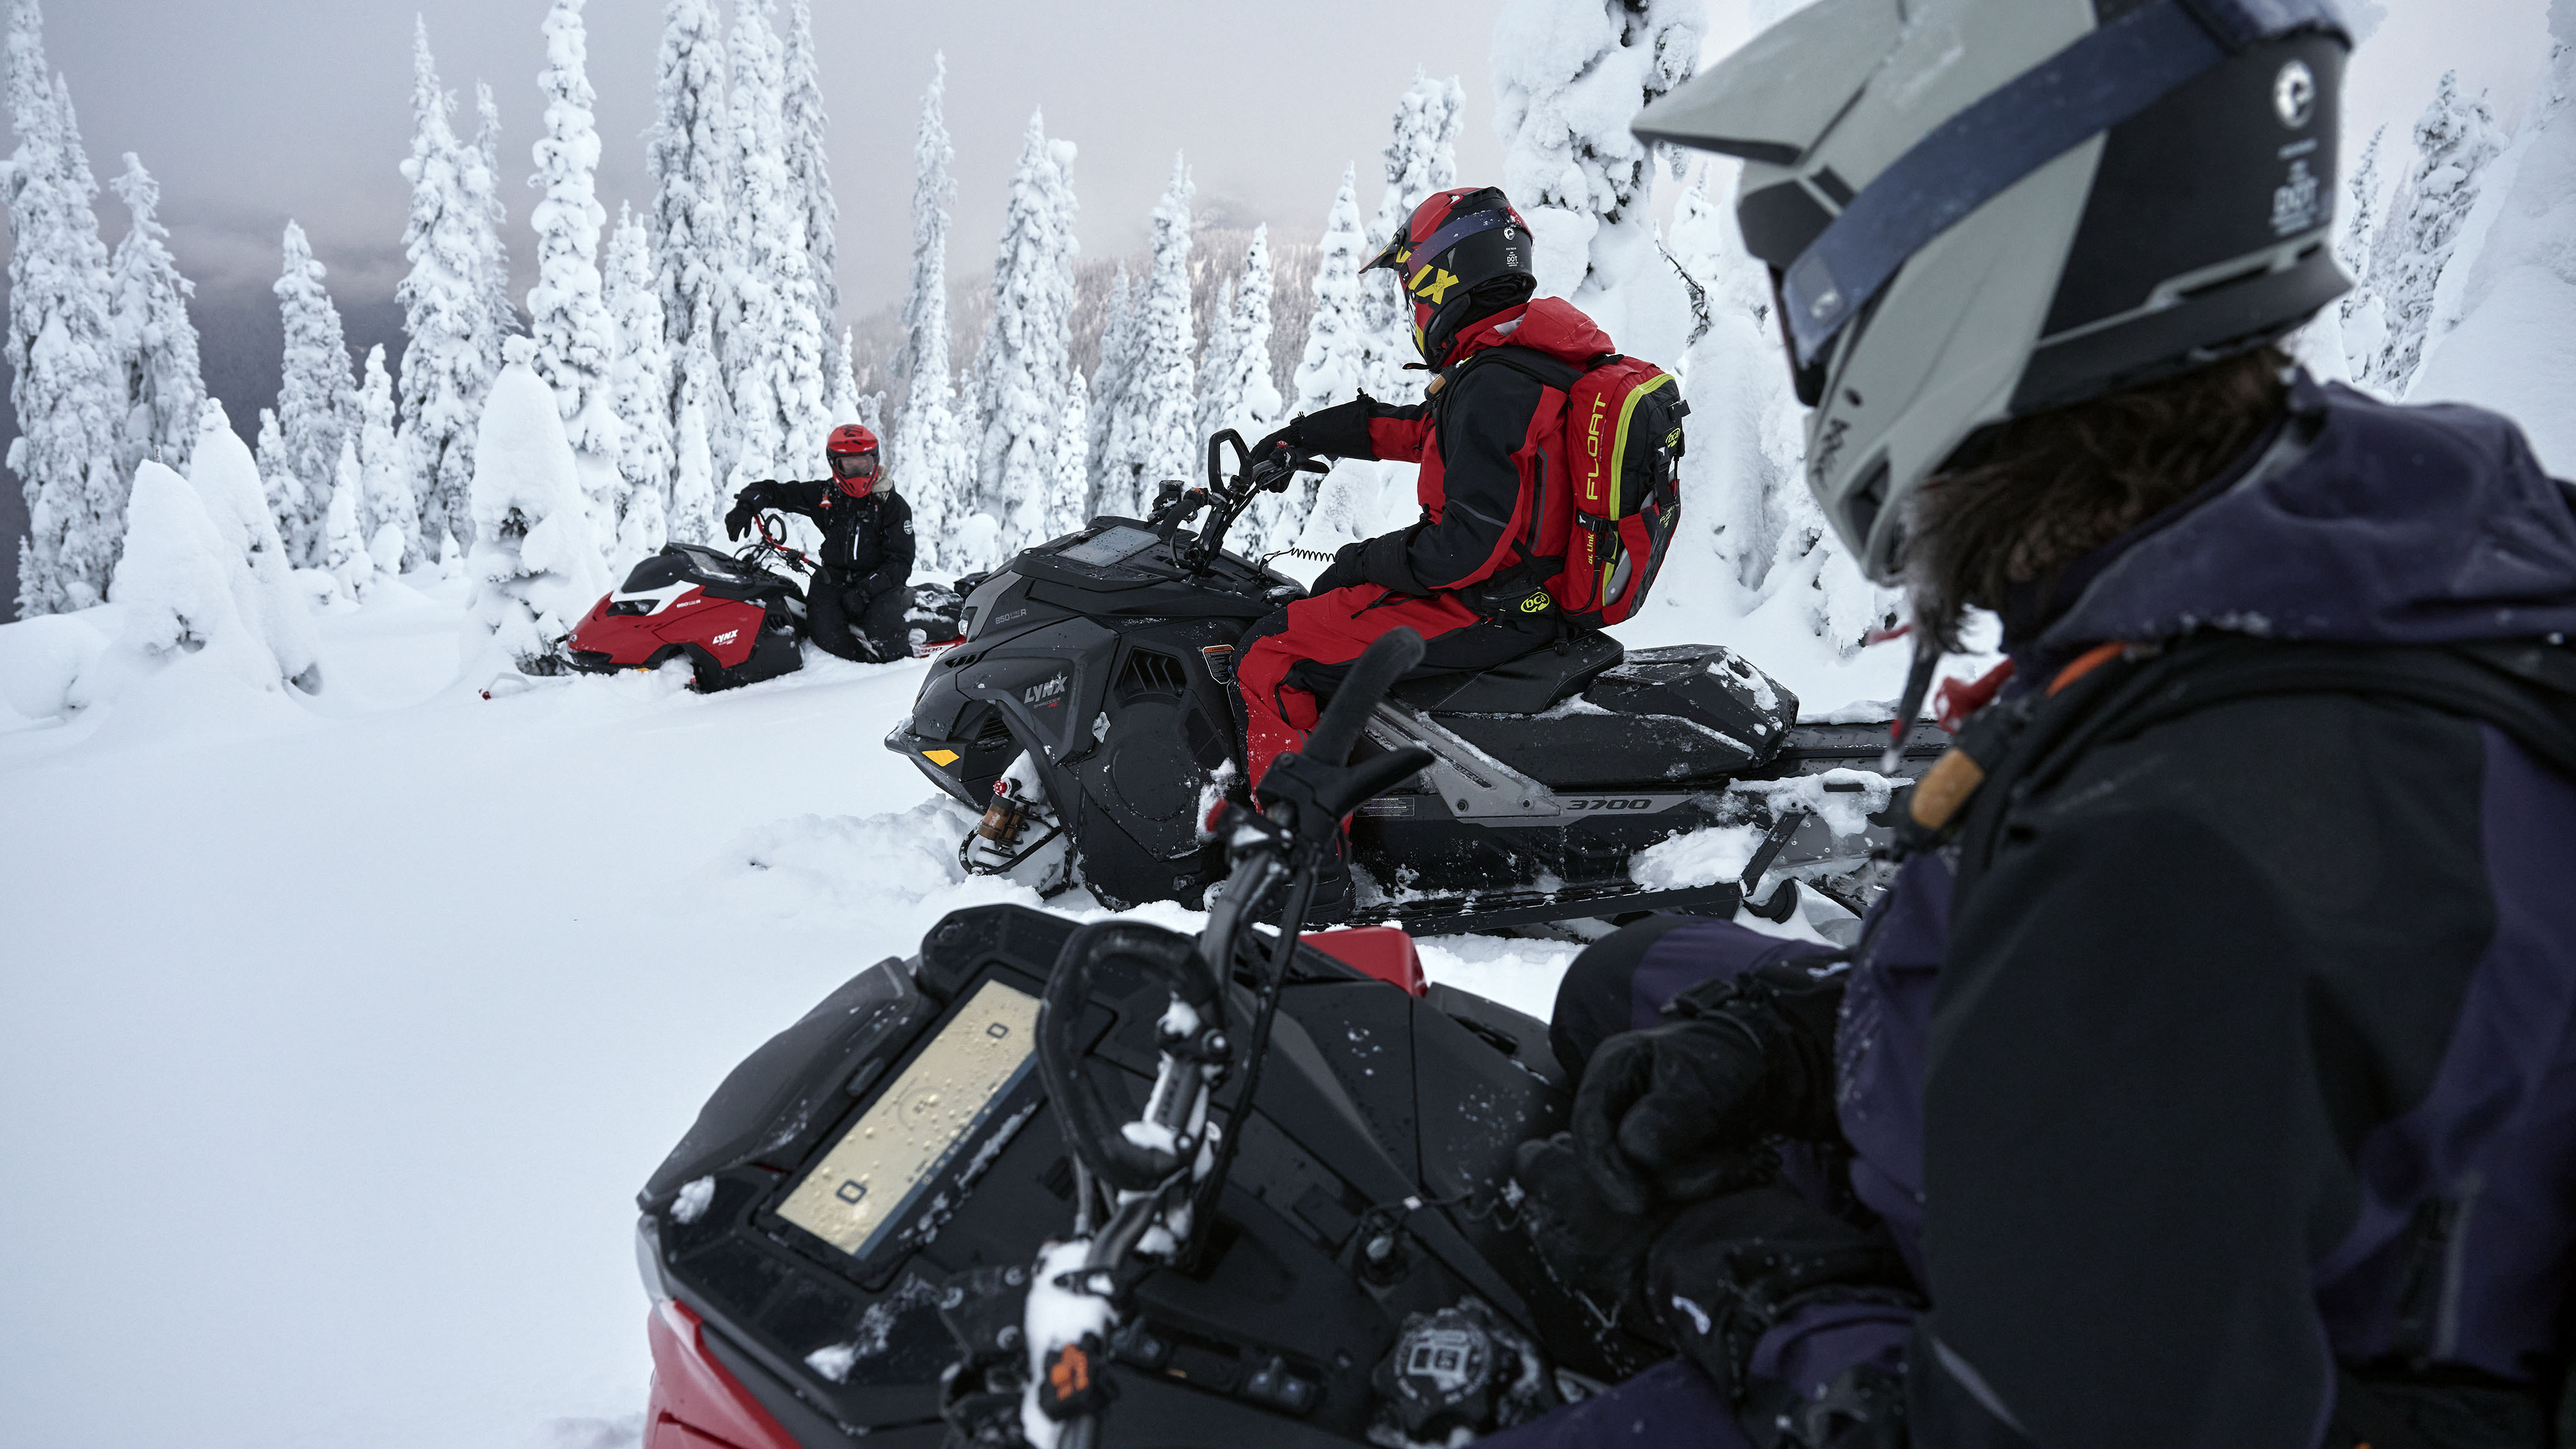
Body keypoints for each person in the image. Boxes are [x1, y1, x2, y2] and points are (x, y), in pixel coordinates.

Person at [1489, 3, 2576, 1447]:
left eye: (1826, 290)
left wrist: (1738, 1281)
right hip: (2213, 1201)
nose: (1817, 344)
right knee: (1627, 979)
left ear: (1974, 272)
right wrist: (1795, 1045)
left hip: (2171, 1365)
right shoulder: (2358, 555)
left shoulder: (2178, 841)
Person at [1236, 186, 1619, 886]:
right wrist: (1309, 435)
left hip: (1489, 604)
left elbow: (1459, 552)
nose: (1412, 299)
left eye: (1412, 281)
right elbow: (1429, 434)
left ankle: (1301, 867)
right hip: (1523, 595)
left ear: (1444, 274)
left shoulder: (1494, 384)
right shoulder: (1527, 364)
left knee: (1270, 652)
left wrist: (1358, 561)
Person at [725, 423, 918, 663]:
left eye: (863, 463)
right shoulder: (826, 496)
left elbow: (901, 561)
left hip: (880, 581)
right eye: (849, 465)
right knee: (823, 631)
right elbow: (777, 492)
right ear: (836, 465)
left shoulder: (892, 505)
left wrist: (866, 591)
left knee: (882, 628)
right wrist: (747, 504)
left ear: (874, 461)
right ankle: (859, 669)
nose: (857, 471)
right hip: (834, 578)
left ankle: (902, 669)